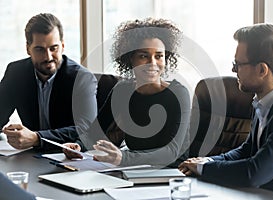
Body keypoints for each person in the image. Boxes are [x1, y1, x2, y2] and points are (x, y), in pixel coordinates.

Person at [179, 23, 273, 197]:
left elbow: (253, 173)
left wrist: (203, 168)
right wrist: (208, 161)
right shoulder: (264, 99)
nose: (233, 70)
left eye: (238, 64)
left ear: (261, 70)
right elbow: (248, 149)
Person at [64, 18, 191, 167]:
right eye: (144, 56)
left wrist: (123, 158)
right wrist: (78, 146)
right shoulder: (122, 90)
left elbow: (171, 151)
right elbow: (95, 133)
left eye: (159, 56)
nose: (152, 63)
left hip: (172, 172)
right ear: (131, 58)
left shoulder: (178, 93)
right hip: (134, 168)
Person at [0, 13, 97, 151]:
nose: (48, 57)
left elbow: (86, 129)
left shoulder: (81, 78)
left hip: (68, 157)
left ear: (62, 46)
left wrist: (37, 138)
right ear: (28, 49)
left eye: (54, 48)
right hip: (30, 157)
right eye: (40, 49)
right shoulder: (16, 72)